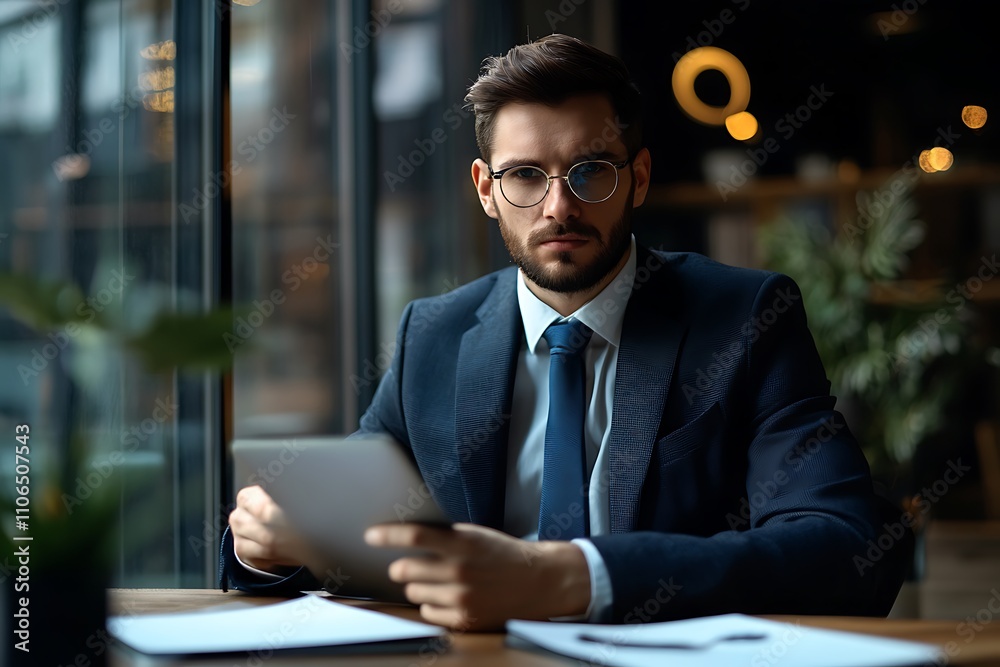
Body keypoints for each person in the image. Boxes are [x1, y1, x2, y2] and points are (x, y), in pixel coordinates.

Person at [222, 33, 909, 630]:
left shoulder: (746, 318)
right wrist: (267, 543)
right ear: (486, 189)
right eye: (525, 175)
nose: (559, 206)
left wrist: (569, 576)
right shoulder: (431, 334)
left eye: (590, 172)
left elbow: (846, 546)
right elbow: (348, 516)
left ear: (637, 177)